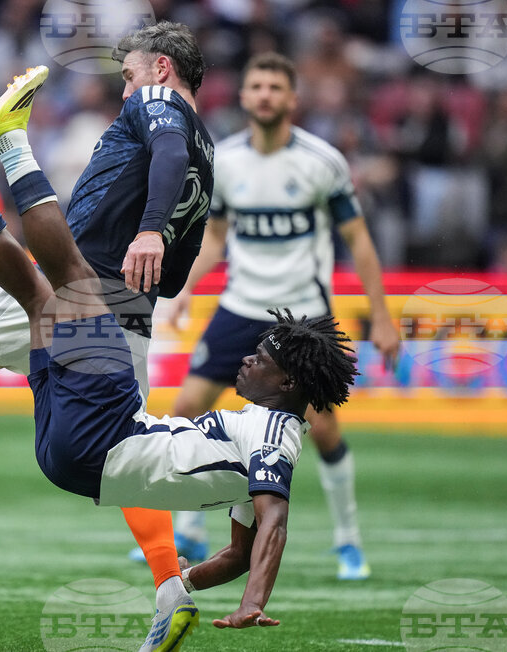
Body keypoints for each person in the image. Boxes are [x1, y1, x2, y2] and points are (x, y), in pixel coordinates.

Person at [0, 89, 358, 647]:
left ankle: (1, 147)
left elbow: (275, 523)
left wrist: (253, 604)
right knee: (38, 299)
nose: (247, 358)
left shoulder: (271, 436)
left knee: (70, 275)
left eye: (261, 359)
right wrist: (182, 583)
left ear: (287, 384)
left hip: (106, 433)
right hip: (73, 463)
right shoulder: (259, 438)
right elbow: (240, 552)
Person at [0, 21, 215, 624]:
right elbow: (181, 259)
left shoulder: (159, 106)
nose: (125, 91)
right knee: (123, 451)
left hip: (83, 282)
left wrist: (146, 229)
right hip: (131, 301)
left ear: (161, 69)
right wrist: (150, 271)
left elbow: (162, 159)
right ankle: (170, 590)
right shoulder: (207, 147)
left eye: (131, 74)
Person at [138, 52, 399, 580]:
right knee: (186, 408)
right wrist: (187, 287)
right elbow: (216, 236)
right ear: (244, 96)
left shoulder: (322, 161)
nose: (264, 95)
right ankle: (188, 526)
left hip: (302, 317)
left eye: (275, 87)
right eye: (256, 85)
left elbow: (359, 241)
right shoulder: (226, 160)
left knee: (323, 428)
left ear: (291, 99)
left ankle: (348, 541)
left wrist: (383, 316)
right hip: (240, 306)